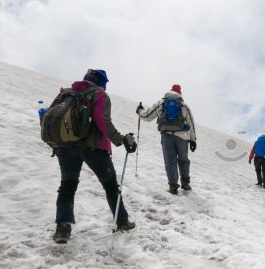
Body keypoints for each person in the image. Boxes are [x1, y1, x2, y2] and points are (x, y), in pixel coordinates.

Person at [51, 69, 137, 243]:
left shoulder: (66, 93)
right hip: (93, 148)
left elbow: (51, 119)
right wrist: (120, 140)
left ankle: (62, 229)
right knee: (110, 185)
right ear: (102, 83)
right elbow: (102, 121)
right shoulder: (99, 95)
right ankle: (121, 221)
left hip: (65, 147)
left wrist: (56, 144)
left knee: (67, 185)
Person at [136, 84, 198, 194]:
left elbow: (147, 116)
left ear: (170, 91)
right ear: (180, 93)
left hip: (166, 136)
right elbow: (191, 123)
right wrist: (193, 139)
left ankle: (173, 186)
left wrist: (140, 111)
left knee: (170, 160)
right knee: (183, 160)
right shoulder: (184, 106)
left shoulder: (161, 102)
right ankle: (185, 183)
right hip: (182, 137)